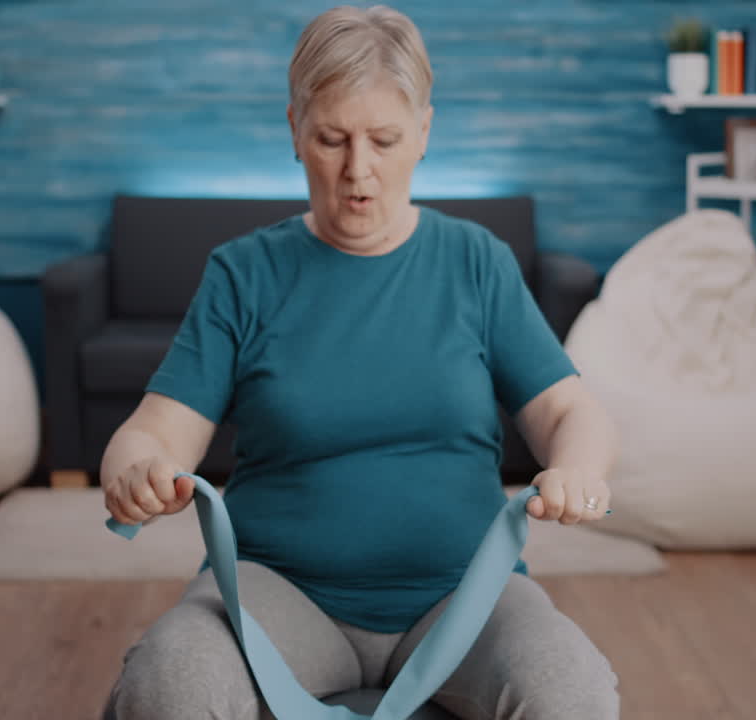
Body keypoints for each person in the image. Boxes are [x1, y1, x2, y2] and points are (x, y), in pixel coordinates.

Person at [100, 5, 621, 718]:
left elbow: (569, 409)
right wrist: (133, 469)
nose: (359, 171)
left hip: (462, 597)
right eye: (332, 139)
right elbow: (156, 431)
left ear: (424, 133)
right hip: (277, 593)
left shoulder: (477, 263)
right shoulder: (242, 274)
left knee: (571, 689)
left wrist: (579, 469)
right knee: (169, 679)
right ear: (294, 130)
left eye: (384, 139)